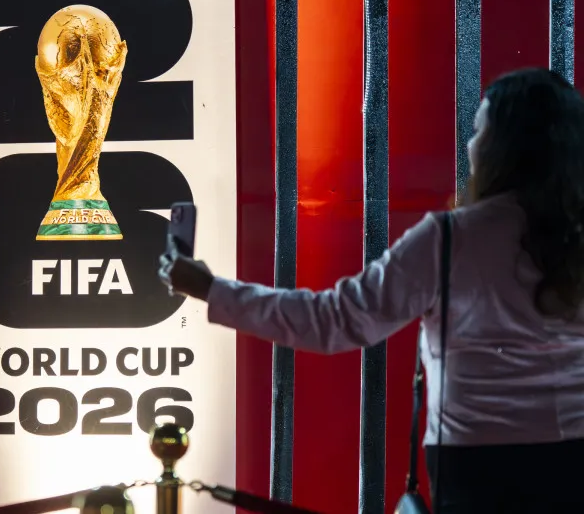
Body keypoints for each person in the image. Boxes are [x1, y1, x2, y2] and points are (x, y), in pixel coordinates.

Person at [160, 68, 584, 513]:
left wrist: (213, 290)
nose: (470, 144)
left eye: (479, 131)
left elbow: (333, 320)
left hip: (476, 468)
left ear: (503, 149)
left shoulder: (450, 239)